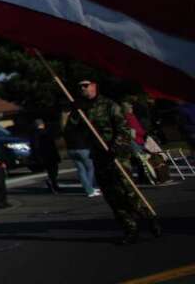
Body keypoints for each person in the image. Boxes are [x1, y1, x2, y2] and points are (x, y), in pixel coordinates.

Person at [74, 79, 161, 244]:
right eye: (80, 87)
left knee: (127, 191)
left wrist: (115, 149)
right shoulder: (81, 109)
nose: (82, 89)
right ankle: (130, 229)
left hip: (116, 155)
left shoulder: (109, 105)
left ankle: (149, 217)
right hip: (99, 157)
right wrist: (75, 114)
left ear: (94, 86)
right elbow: (74, 131)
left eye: (85, 85)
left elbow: (123, 129)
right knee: (112, 196)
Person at [31, 118, 62, 193]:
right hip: (51, 154)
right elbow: (53, 145)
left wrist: (37, 157)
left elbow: (35, 147)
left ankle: (53, 184)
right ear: (42, 124)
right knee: (54, 170)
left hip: (42, 155)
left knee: (49, 170)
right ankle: (53, 184)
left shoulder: (34, 135)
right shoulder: (47, 133)